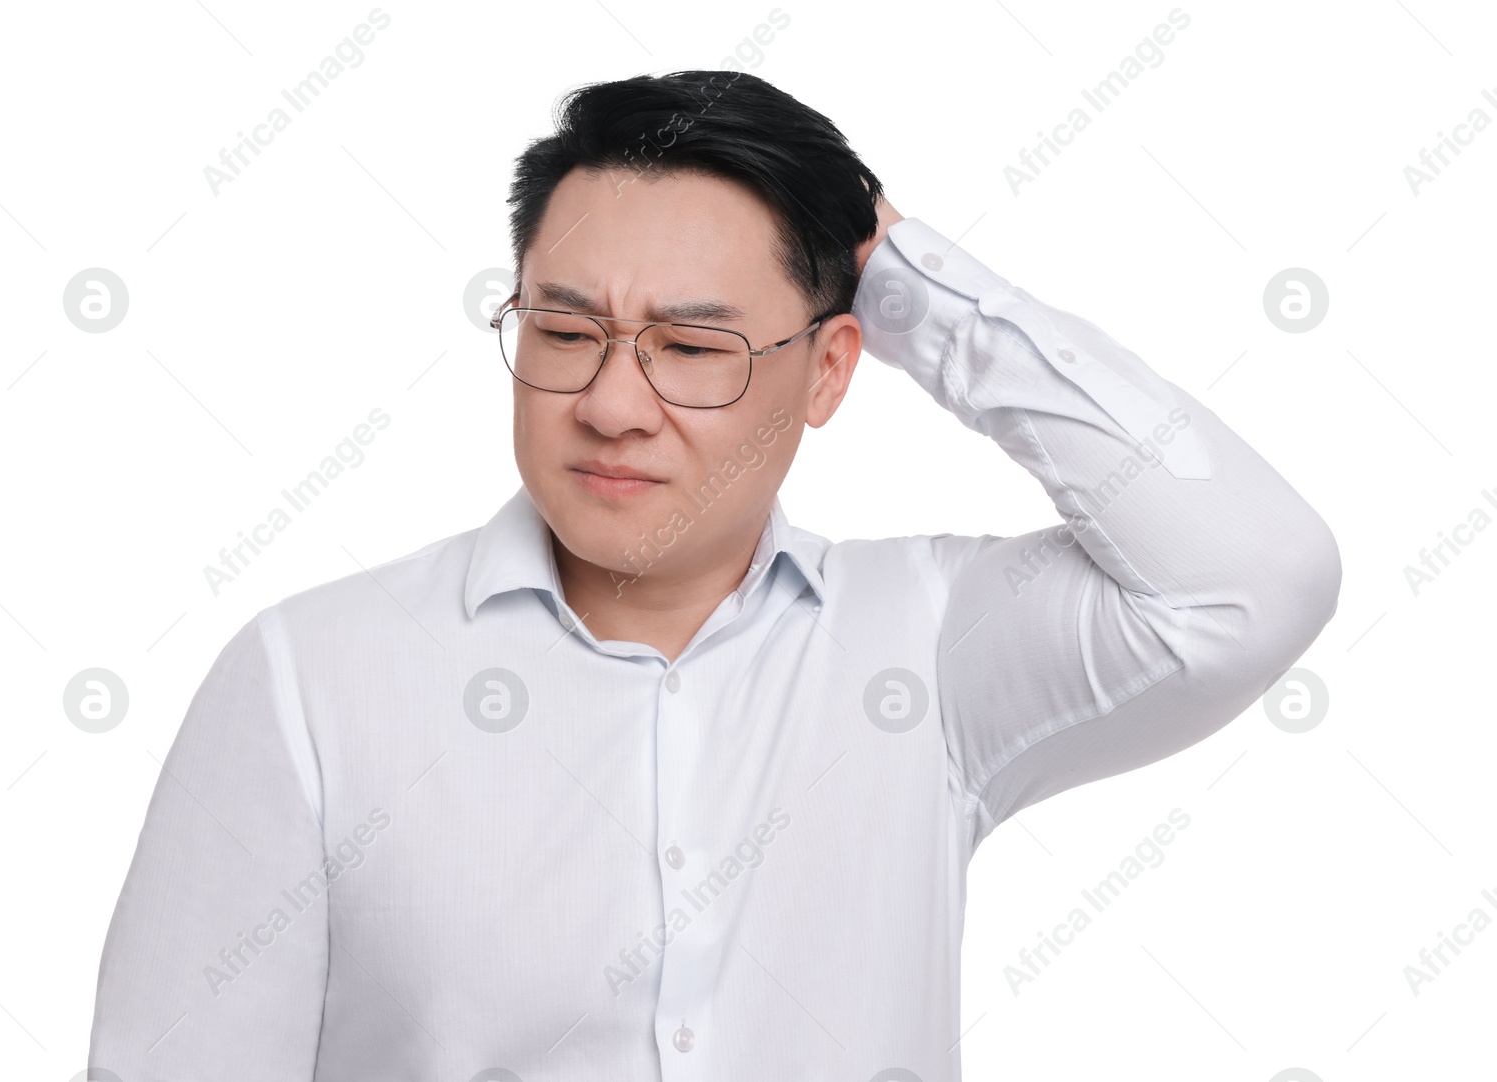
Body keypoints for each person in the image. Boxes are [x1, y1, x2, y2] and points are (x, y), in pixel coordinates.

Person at [88, 70, 1342, 1081]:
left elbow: (1250, 578)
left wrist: (913, 289)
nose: (611, 402)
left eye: (693, 346)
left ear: (833, 370)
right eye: (565, 332)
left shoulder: (925, 650)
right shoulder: (313, 677)